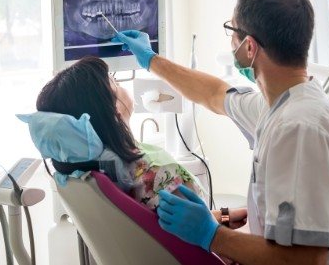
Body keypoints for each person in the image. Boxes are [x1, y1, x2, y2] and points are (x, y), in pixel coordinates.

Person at [111, 0, 329, 264]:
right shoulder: (280, 103)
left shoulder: (300, 128)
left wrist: (212, 234)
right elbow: (214, 94)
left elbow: (304, 259)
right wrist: (151, 60)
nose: (230, 40)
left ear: (249, 47)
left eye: (232, 30)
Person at [33, 56, 203, 210]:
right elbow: (204, 229)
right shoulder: (157, 177)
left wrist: (227, 215)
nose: (121, 86)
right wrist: (226, 217)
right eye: (115, 82)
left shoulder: (82, 173)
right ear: (114, 111)